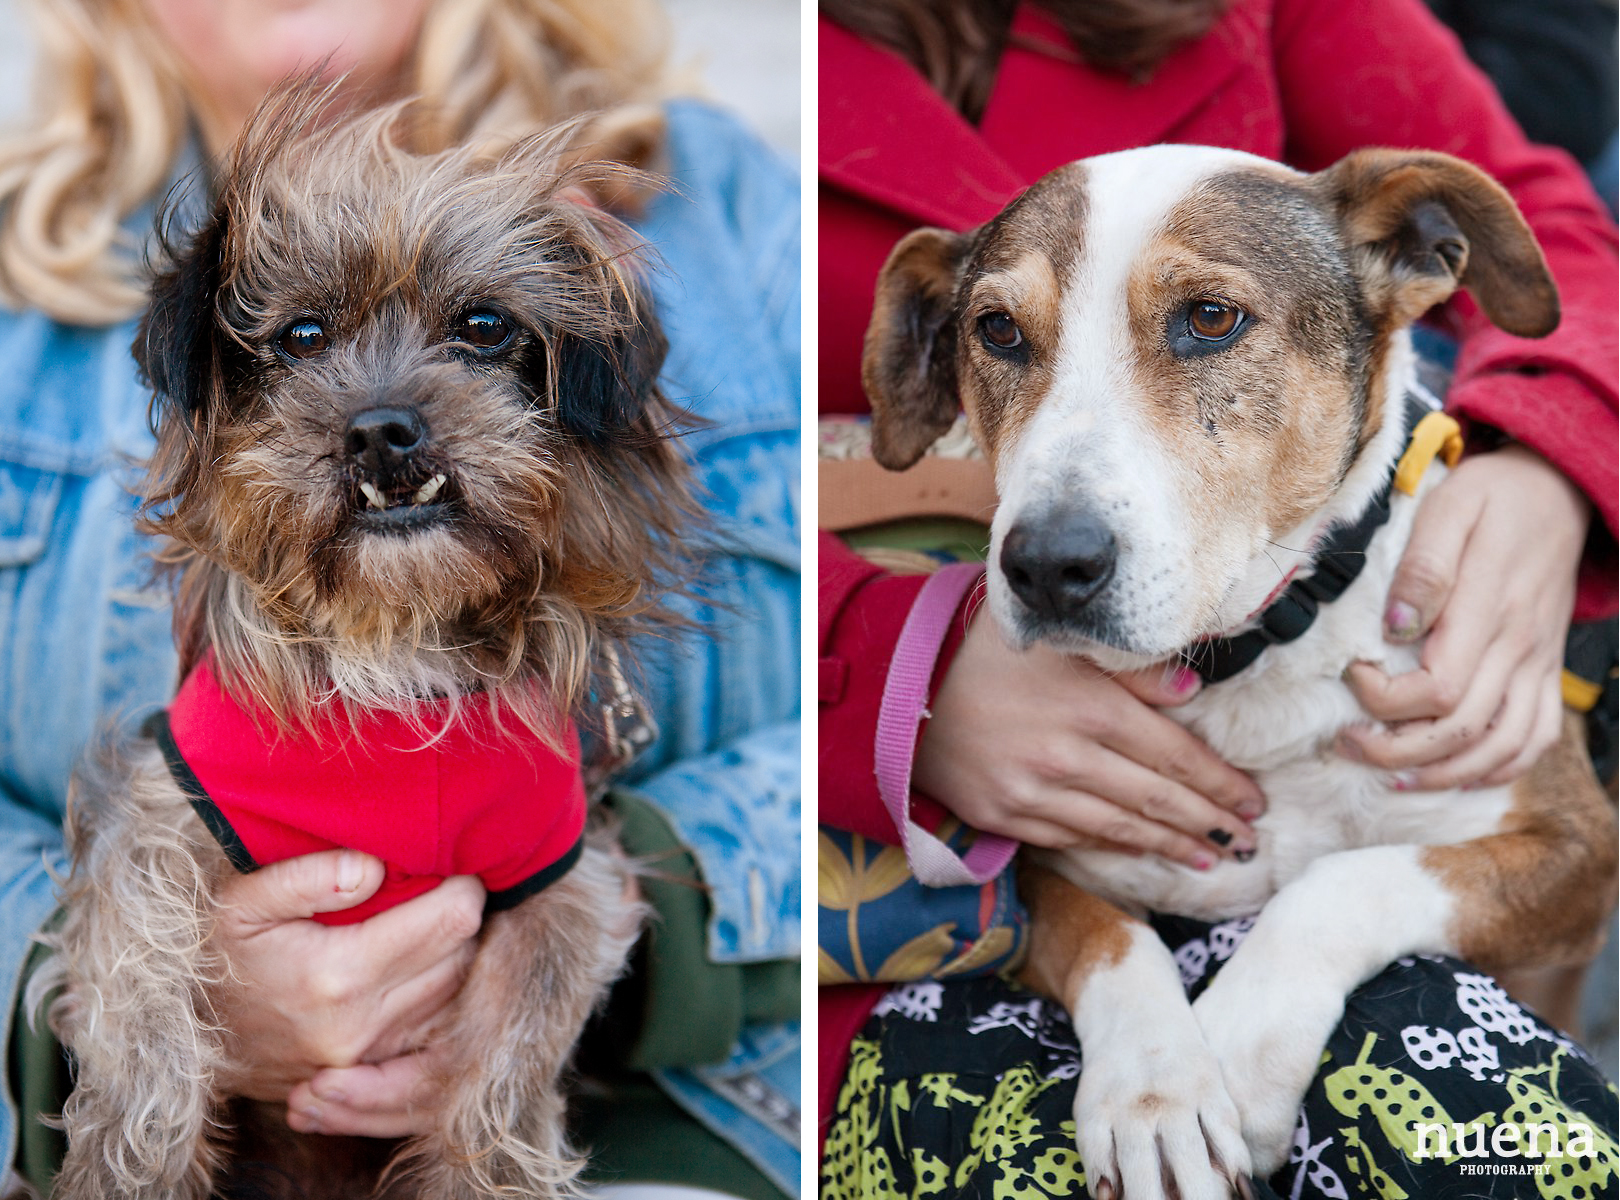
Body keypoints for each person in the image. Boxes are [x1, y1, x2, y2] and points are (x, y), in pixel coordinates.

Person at [817, 0, 1617, 1194]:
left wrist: (1551, 461)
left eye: (1206, 319)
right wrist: (895, 672)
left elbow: (1569, 866)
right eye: (1002, 333)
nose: (1056, 530)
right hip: (904, 885)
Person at [0, 2, 800, 1197]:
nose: (384, 412)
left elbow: (868, 695)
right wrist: (83, 985)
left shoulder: (723, 201)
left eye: (482, 333)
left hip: (662, 1128)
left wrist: (593, 933)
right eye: (303, 337)